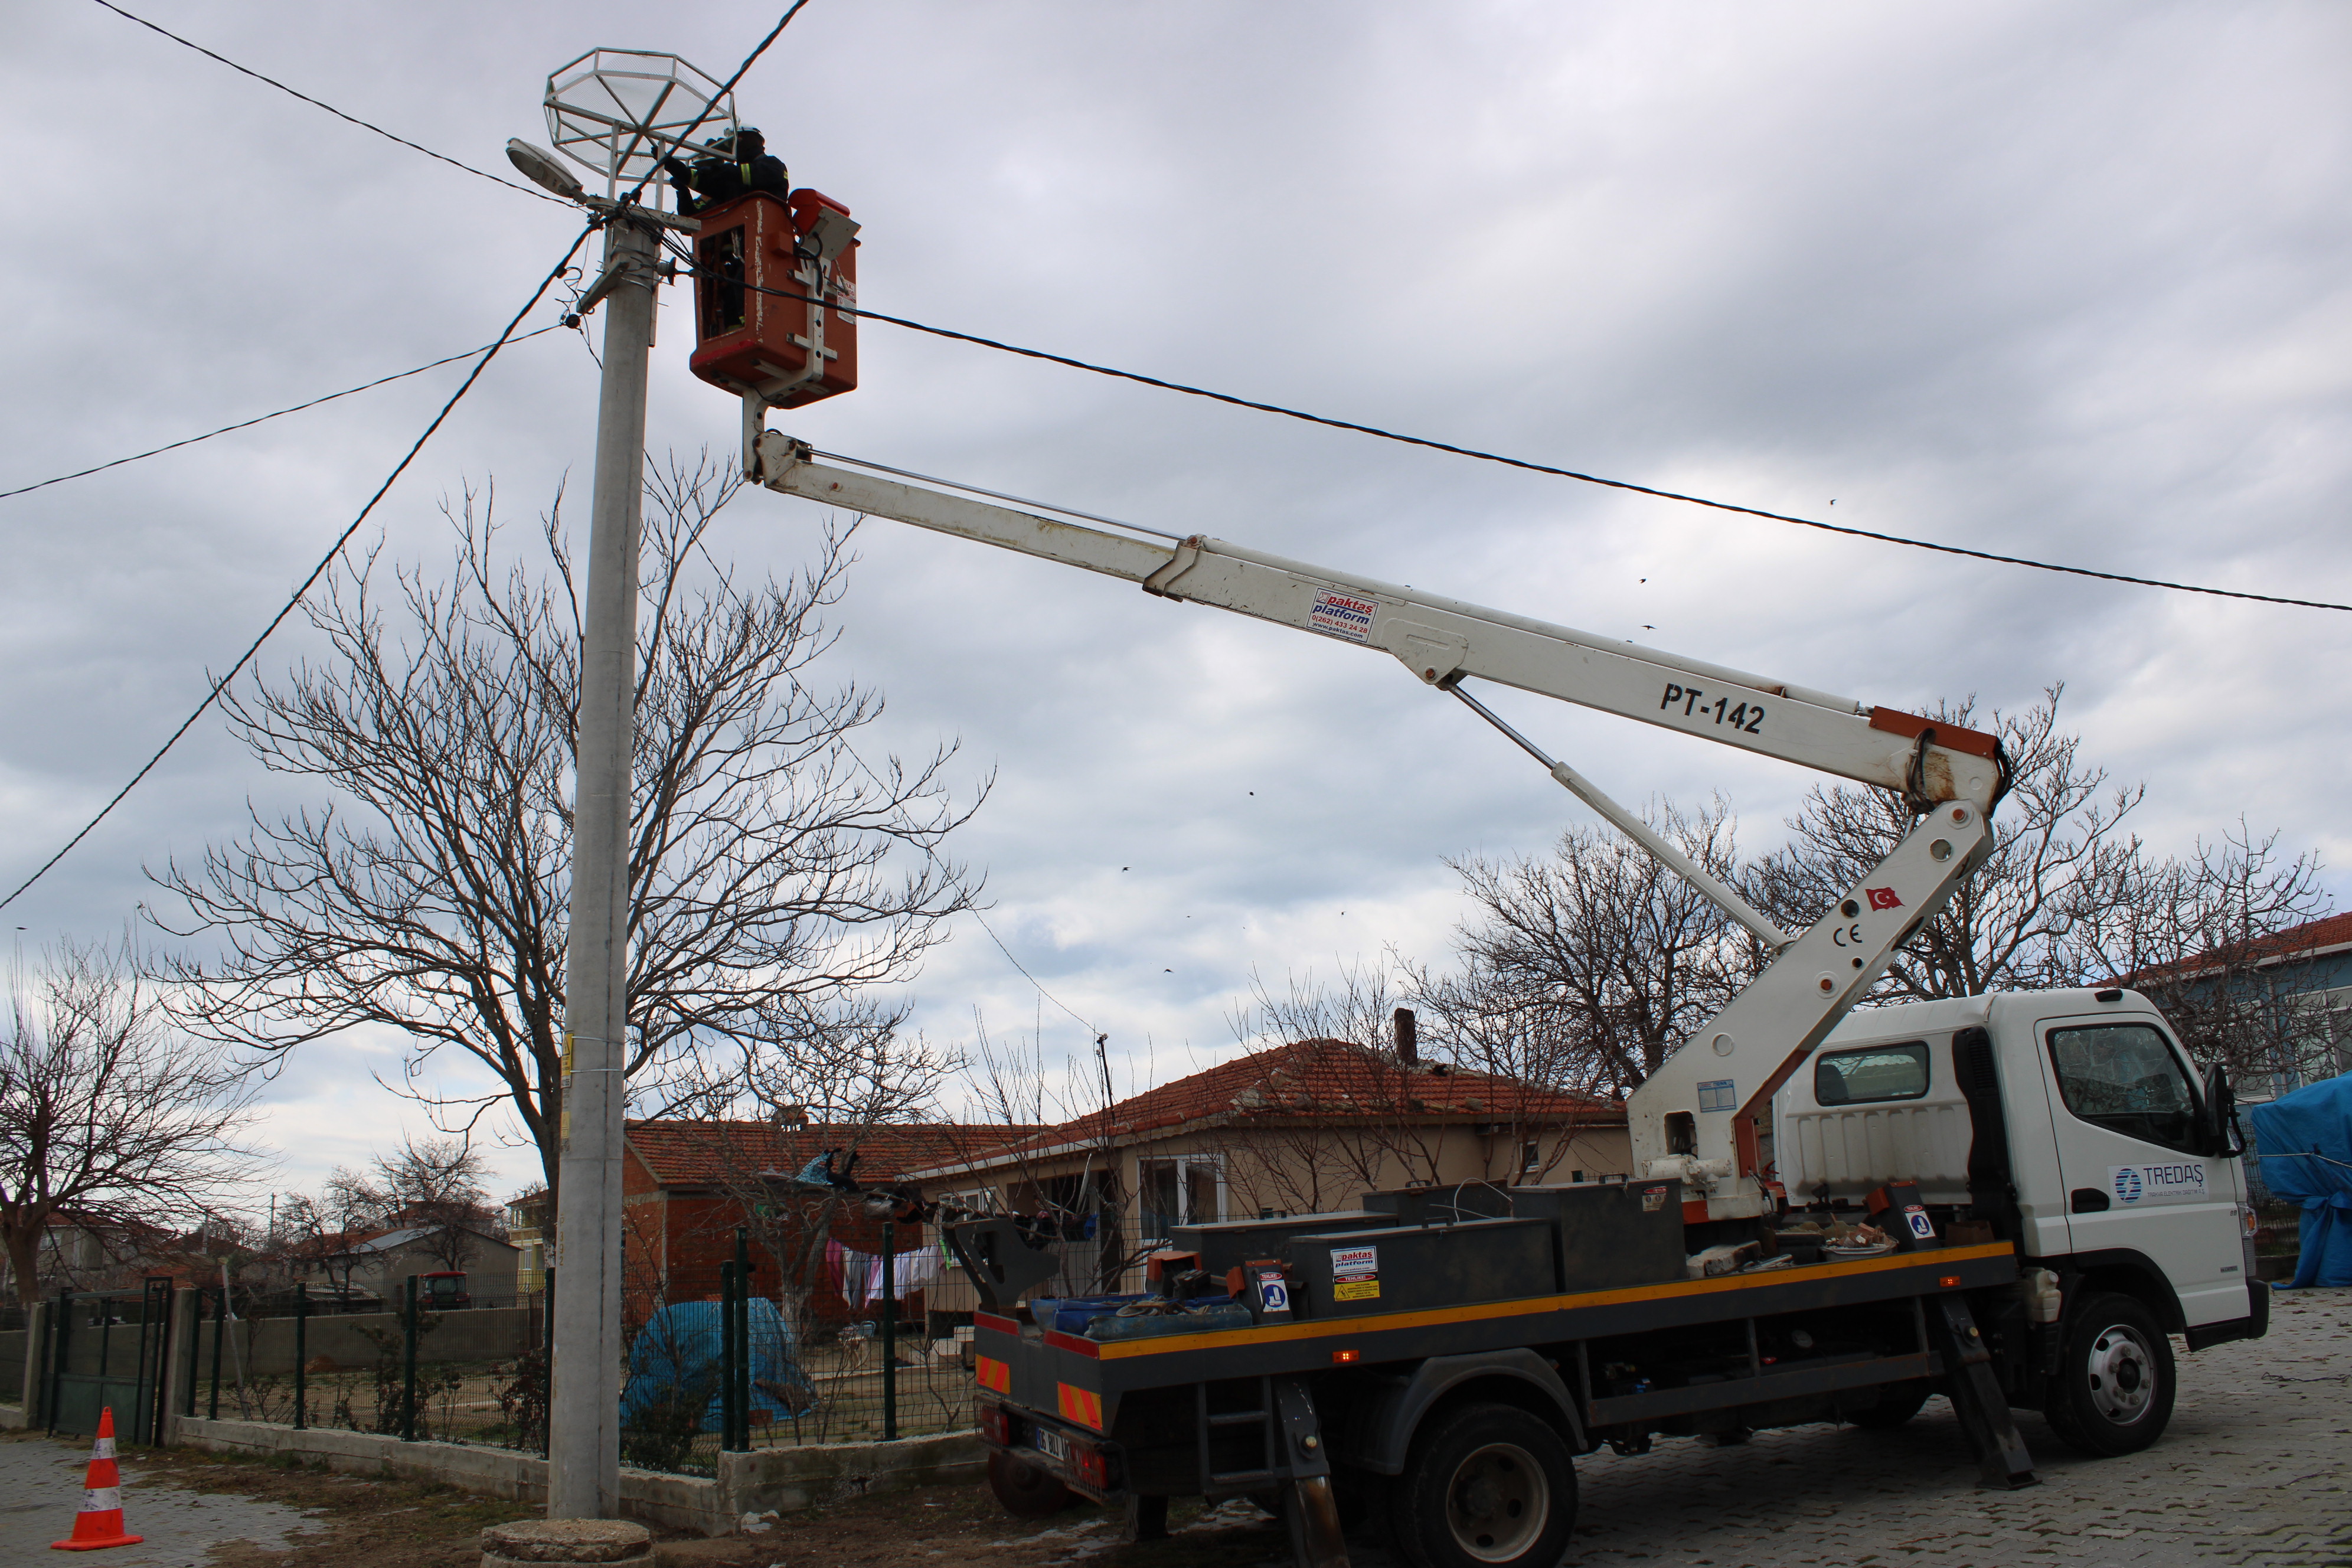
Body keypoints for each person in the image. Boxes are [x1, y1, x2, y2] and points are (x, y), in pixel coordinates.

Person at [662, 127, 789, 215]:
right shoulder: (731, 185)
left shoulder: (773, 165)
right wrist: (672, 166)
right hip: (733, 245)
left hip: (762, 233)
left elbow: (737, 174)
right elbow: (689, 219)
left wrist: (716, 172)